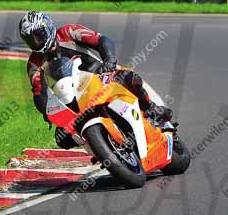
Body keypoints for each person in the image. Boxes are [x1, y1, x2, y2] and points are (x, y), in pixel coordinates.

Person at [18, 11, 173, 149]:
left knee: (131, 79)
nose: (36, 42)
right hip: (74, 101)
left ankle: (150, 108)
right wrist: (48, 112)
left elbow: (101, 40)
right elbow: (39, 93)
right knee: (62, 138)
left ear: (48, 27)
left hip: (100, 77)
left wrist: (109, 60)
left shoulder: (68, 32)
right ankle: (101, 148)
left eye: (38, 36)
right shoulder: (34, 63)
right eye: (31, 40)